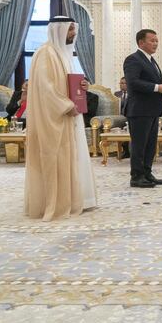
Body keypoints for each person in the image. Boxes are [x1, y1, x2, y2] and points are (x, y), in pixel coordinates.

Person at [24, 16, 97, 221]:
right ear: (58, 30)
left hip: (70, 115)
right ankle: (56, 203)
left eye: (74, 29)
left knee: (73, 158)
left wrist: (83, 86)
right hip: (54, 118)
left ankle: (78, 199)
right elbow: (45, 88)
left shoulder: (64, 55)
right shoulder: (45, 54)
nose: (73, 34)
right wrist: (66, 105)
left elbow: (69, 84)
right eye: (70, 30)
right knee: (54, 158)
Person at [123, 29, 162, 188]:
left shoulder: (151, 60)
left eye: (156, 40)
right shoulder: (133, 59)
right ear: (141, 42)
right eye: (152, 40)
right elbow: (133, 83)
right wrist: (157, 87)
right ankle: (136, 177)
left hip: (152, 110)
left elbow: (152, 82)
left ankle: (147, 173)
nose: (155, 43)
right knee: (139, 145)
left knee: (150, 145)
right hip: (139, 110)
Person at [113, 77, 130, 158]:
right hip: (118, 116)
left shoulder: (133, 94)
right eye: (121, 83)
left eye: (124, 83)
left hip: (129, 116)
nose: (122, 85)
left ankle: (127, 151)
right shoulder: (116, 94)